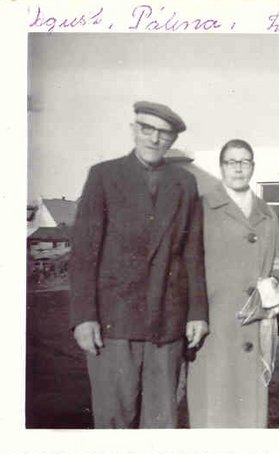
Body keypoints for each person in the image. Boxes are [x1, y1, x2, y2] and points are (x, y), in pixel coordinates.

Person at [69, 101, 209, 429]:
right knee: (114, 420)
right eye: (147, 129)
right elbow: (84, 253)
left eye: (164, 133)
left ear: (173, 140)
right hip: (114, 322)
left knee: (160, 422)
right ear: (134, 130)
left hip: (168, 321)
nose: (155, 139)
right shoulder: (103, 176)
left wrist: (197, 313)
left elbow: (193, 252)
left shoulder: (185, 183)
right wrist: (83, 317)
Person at [187, 139, 279, 428]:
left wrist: (273, 287)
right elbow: (187, 263)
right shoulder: (202, 208)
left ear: (253, 167)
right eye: (231, 162)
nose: (238, 168)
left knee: (248, 414)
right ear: (221, 167)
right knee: (214, 407)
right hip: (214, 324)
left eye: (244, 162)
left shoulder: (266, 212)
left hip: (255, 324)